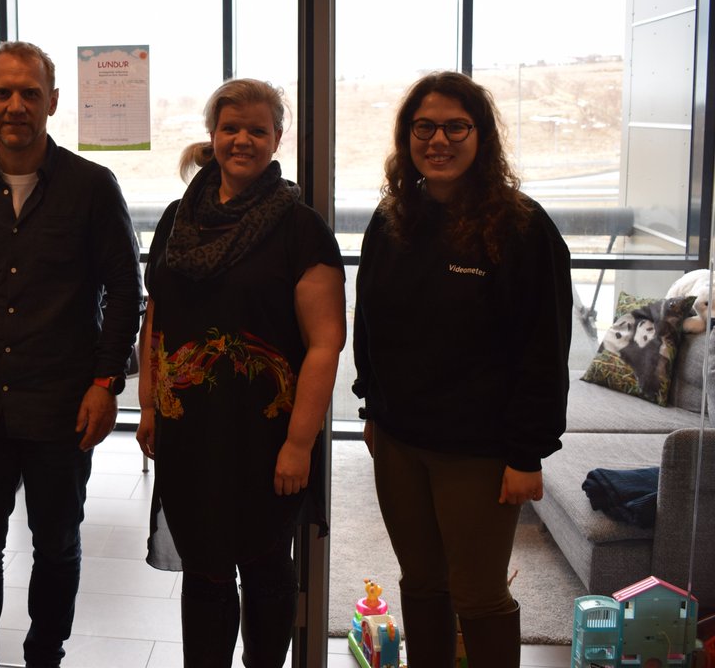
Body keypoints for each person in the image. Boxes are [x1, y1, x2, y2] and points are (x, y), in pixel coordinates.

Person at [0, 40, 142, 668]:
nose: (16, 106)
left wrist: (106, 382)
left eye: (30, 93)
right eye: (2, 93)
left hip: (62, 405)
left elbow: (126, 290)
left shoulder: (93, 187)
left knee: (58, 544)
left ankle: (46, 655)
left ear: (53, 101)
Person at [352, 71, 572, 668]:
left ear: (481, 137)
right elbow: (368, 321)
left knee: (476, 593)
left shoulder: (522, 229)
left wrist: (528, 454)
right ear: (408, 136)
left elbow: (544, 350)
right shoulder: (393, 218)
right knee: (421, 583)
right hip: (399, 442)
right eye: (424, 127)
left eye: (455, 126)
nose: (438, 140)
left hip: (479, 451)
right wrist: (371, 406)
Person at [135, 78, 346, 667]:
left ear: (278, 138)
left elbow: (326, 343)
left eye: (257, 129)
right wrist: (149, 405)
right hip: (191, 429)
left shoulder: (302, 230)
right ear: (213, 135)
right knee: (203, 569)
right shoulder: (179, 219)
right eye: (231, 128)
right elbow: (157, 316)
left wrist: (301, 443)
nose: (242, 140)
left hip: (268, 434)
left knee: (263, 566)